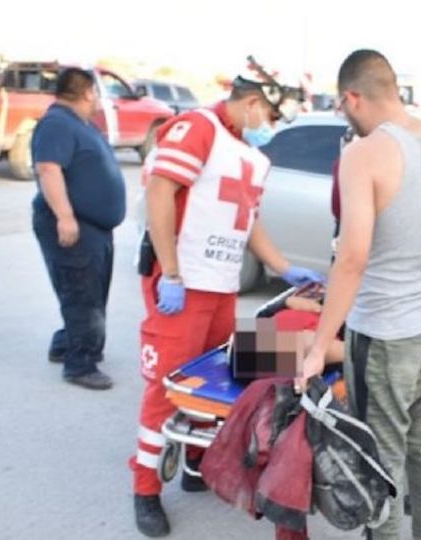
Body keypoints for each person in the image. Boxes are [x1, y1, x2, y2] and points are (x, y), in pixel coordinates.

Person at [132, 70, 322, 538]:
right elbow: (161, 191)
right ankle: (145, 487)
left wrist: (283, 266)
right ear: (253, 100)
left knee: (211, 384)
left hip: (219, 285)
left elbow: (248, 219)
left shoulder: (252, 156)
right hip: (184, 282)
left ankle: (198, 460)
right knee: (167, 387)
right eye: (271, 114)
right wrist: (171, 273)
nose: (271, 124)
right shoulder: (197, 128)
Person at [298, 49, 421, 540]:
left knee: (382, 457)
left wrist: (317, 347)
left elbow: (352, 259)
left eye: (342, 106)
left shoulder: (366, 152)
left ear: (353, 96)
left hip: (386, 332)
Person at [31, 68, 125, 391]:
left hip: (94, 227)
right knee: (82, 295)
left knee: (91, 293)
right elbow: (48, 168)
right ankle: (80, 363)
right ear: (87, 92)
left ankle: (66, 343)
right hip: (75, 226)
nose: (98, 99)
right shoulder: (57, 123)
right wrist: (65, 216)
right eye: (96, 92)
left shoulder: (80, 124)